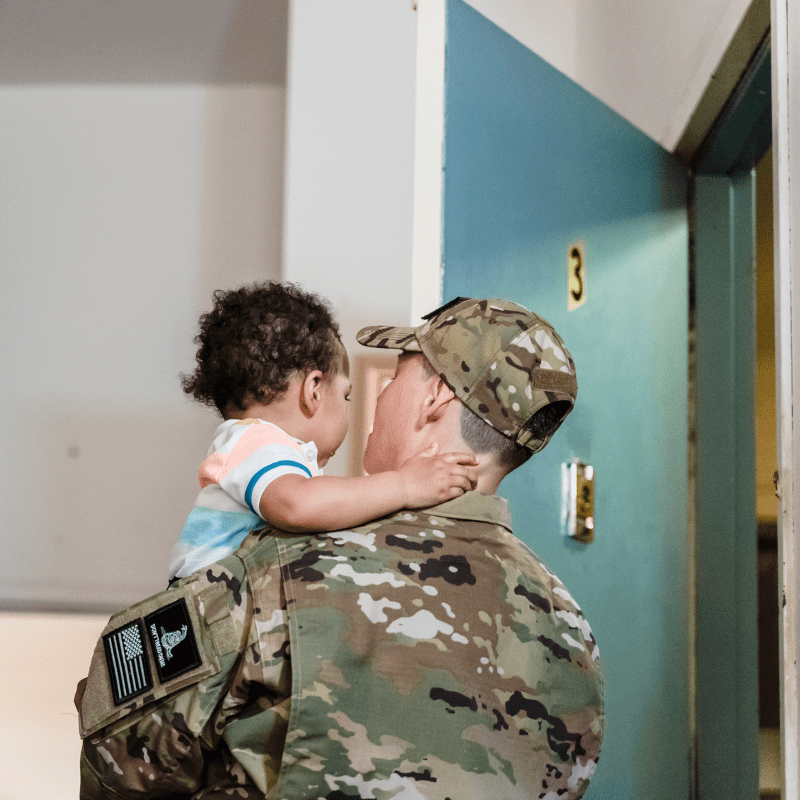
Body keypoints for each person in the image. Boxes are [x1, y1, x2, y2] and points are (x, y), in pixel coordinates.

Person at [77, 297, 604, 799]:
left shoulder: (273, 573)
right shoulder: (570, 628)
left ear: (435, 398)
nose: (376, 395)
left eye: (396, 376)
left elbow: (121, 756)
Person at [170, 282, 477, 579]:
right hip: (200, 611)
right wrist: (406, 485)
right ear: (313, 390)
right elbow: (296, 505)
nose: (350, 409)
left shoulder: (255, 448)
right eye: (346, 395)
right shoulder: (252, 441)